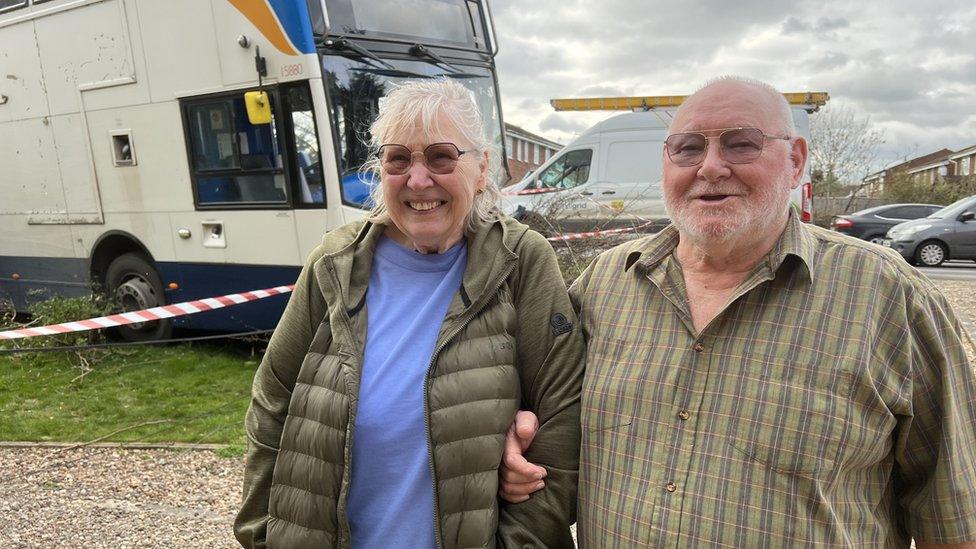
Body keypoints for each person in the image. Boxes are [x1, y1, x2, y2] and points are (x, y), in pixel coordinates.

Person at [500, 76, 976, 547]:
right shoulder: (607, 284)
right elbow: (545, 404)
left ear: (795, 162)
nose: (710, 167)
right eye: (687, 148)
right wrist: (514, 435)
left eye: (741, 144)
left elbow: (953, 517)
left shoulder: (891, 298)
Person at [234, 79, 584, 548]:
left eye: (441, 156)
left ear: (481, 168)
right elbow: (272, 401)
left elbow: (562, 425)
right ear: (381, 170)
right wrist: (260, 534)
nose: (419, 181)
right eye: (398, 159)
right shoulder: (336, 263)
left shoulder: (520, 261)